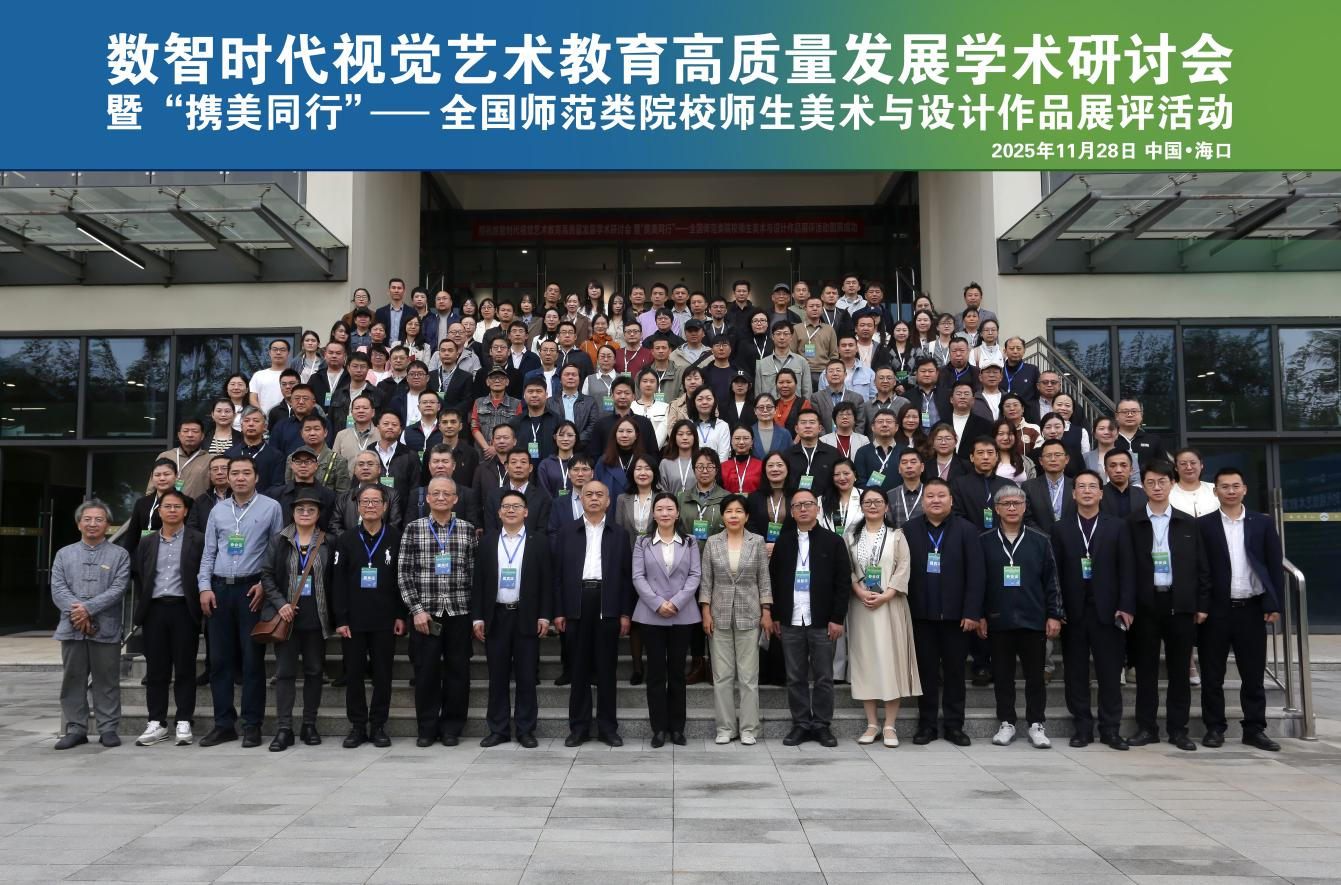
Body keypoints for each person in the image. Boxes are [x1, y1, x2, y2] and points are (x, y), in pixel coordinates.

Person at [196, 456, 284, 748]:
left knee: (251, 662)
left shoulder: (271, 507)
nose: (240, 478)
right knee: (219, 662)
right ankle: (223, 724)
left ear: (257, 477)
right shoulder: (218, 510)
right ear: (228, 477)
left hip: (251, 591)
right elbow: (209, 552)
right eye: (235, 473)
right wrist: (204, 587)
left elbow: (276, 552)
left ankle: (251, 725)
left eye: (246, 473)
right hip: (219, 590)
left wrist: (265, 585)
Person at [1124, 461, 1211, 752]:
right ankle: (1146, 728)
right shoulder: (1132, 522)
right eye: (1151, 482)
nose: (1157, 487)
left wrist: (1201, 604)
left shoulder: (1188, 523)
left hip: (1180, 604)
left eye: (1162, 481)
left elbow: (1202, 567)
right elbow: (1125, 568)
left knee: (1179, 671)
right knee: (1146, 671)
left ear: (1172, 484)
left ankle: (1178, 730)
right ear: (1143, 486)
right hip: (1146, 605)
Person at [1197, 467, 1284, 752]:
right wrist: (1201, 605)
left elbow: (1273, 565)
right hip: (1216, 610)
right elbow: (1200, 569)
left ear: (1245, 489)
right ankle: (1214, 727)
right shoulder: (1204, 525)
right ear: (1215, 491)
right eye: (1225, 486)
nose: (1231, 491)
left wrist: (1274, 602)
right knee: (1212, 674)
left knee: (1253, 673)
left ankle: (1254, 729)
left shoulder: (1262, 523)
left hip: (1252, 608)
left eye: (1236, 486)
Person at [1051, 469, 1136, 750]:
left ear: (1101, 493)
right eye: (1081, 487)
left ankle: (1110, 729)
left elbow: (1128, 570)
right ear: (1073, 494)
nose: (1087, 491)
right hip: (1073, 613)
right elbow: (1054, 574)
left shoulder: (1118, 526)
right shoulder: (1061, 528)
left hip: (1109, 612)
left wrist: (1126, 606)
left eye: (1092, 487)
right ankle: (1082, 728)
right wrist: (1056, 610)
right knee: (1075, 674)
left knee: (1110, 674)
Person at [977, 484, 1063, 750]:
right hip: (998, 619)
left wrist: (1054, 615)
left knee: (1035, 677)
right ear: (997, 509)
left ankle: (1036, 723)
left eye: (1017, 503)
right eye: (1006, 504)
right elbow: (978, 583)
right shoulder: (985, 541)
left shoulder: (1040, 540)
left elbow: (1052, 581)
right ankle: (1007, 722)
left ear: (1025, 507)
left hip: (1033, 619)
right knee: (1003, 676)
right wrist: (980, 615)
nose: (1012, 508)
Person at [399, 476, 479, 747]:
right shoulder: (413, 529)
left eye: (447, 493)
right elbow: (404, 573)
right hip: (426, 615)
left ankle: (452, 728)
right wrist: (416, 610)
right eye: (436, 493)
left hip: (459, 612)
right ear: (427, 499)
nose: (441, 497)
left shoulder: (467, 530)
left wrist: (474, 614)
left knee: (459, 673)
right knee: (426, 673)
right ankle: (427, 728)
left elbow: (474, 574)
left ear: (456, 499)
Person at [769, 488, 852, 747]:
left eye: (807, 504)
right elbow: (773, 580)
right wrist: (775, 615)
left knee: (824, 676)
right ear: (792, 512)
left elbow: (843, 583)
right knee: (795, 676)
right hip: (791, 619)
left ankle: (822, 725)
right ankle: (801, 723)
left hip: (822, 620)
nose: (803, 509)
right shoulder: (784, 542)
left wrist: (837, 618)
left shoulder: (833, 541)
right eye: (797, 506)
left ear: (817, 508)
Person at [554, 481, 635, 747]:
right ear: (581, 499)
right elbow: (558, 576)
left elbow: (626, 577)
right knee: (578, 669)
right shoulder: (567, 532)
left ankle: (607, 728)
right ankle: (578, 728)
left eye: (600, 494)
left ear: (608, 501)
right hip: (576, 603)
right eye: (588, 494)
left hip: (607, 603)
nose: (594, 498)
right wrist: (559, 611)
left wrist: (625, 613)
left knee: (607, 670)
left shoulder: (619, 534)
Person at [903, 479, 983, 745]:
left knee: (955, 673)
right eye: (930, 496)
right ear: (922, 501)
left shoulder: (967, 530)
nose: (935, 500)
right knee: (925, 672)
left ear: (951, 500)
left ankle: (954, 726)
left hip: (956, 617)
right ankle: (926, 725)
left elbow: (976, 574)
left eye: (941, 495)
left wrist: (972, 612)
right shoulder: (909, 530)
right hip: (920, 615)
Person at [471, 489, 552, 749]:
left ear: (526, 512)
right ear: (499, 512)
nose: (511, 510)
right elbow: (478, 582)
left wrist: (545, 615)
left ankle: (526, 729)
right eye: (506, 506)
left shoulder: (539, 541)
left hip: (527, 616)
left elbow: (547, 582)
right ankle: (498, 729)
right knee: (497, 676)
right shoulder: (488, 542)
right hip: (496, 616)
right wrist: (477, 618)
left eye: (516, 506)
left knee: (527, 676)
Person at [50, 499, 130, 750]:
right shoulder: (64, 554)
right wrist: (78, 612)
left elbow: (118, 589)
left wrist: (88, 609)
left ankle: (108, 728)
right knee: (72, 679)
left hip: (105, 628)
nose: (93, 524)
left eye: (99, 519)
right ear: (78, 524)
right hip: (71, 626)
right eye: (87, 519)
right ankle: (75, 728)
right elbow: (58, 588)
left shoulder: (120, 555)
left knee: (107, 679)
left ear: (107, 525)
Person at [259, 487, 334, 751]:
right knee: (285, 673)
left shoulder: (328, 541)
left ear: (318, 514)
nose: (305, 513)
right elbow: (266, 575)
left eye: (311, 509)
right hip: (286, 619)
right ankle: (284, 728)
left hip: (317, 617)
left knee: (314, 672)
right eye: (300, 509)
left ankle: (309, 724)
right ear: (292, 512)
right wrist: (280, 604)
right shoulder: (279, 540)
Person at [331, 483, 404, 749]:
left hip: (386, 619)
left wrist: (401, 615)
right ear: (358, 507)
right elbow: (337, 582)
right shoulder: (346, 539)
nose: (370, 506)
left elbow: (402, 580)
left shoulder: (396, 538)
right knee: (354, 674)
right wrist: (340, 619)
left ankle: (379, 725)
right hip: (354, 620)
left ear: (385, 506)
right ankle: (358, 725)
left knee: (383, 674)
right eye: (365, 502)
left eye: (376, 501)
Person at [845, 489, 920, 749]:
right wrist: (859, 590)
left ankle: (889, 724)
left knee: (891, 661)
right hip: (862, 606)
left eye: (878, 502)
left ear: (887, 506)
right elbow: (848, 569)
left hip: (891, 605)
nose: (873, 505)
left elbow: (903, 567)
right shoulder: (851, 537)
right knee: (865, 662)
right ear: (861, 506)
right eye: (868, 502)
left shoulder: (897, 535)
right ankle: (871, 723)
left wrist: (887, 595)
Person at [131, 489, 204, 747]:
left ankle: (184, 720)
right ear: (159, 512)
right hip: (154, 611)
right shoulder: (147, 542)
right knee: (156, 669)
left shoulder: (198, 539)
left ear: (185, 511)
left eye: (177, 506)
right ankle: (157, 722)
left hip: (184, 610)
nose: (172, 510)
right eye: (167, 506)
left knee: (185, 668)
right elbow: (141, 575)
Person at [698, 494, 772, 744]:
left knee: (749, 677)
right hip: (718, 615)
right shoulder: (712, 542)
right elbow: (706, 580)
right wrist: (705, 611)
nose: (733, 515)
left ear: (747, 516)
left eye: (739, 511)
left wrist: (766, 610)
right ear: (722, 516)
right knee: (722, 677)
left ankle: (749, 729)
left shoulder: (757, 541)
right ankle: (725, 728)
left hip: (749, 614)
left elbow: (764, 579)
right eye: (729, 511)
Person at [632, 492, 703, 747]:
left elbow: (695, 575)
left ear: (677, 513)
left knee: (676, 673)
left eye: (669, 508)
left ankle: (677, 728)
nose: (665, 513)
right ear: (653, 514)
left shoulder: (690, 541)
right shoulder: (642, 542)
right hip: (651, 614)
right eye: (660, 509)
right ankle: (658, 729)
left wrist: (676, 602)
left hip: (682, 614)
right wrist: (657, 603)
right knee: (655, 674)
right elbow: (638, 576)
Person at [785, 410, 841, 500]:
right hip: (796, 504)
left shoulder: (833, 453)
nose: (807, 426)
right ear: (796, 429)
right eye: (803, 422)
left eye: (812, 422)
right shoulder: (787, 455)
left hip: (826, 504)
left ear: (820, 428)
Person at [226, 406, 285, 490]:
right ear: (241, 426)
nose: (251, 424)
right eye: (246, 420)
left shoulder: (276, 456)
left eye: (256, 421)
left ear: (265, 426)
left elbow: (277, 487)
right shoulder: (229, 454)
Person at [149, 418, 209, 499]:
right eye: (186, 431)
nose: (190, 435)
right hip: (167, 506)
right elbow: (151, 488)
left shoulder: (209, 460)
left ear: (202, 436)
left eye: (195, 431)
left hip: (197, 506)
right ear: (179, 435)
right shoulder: (165, 456)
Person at [1023, 440, 1074, 533]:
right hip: (1039, 539)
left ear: (1066, 459)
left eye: (1058, 455)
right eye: (1048, 455)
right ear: (1041, 461)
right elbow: (1027, 519)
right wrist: (1044, 538)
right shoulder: (1029, 487)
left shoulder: (1076, 485)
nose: (1053, 459)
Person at [755, 321, 814, 399]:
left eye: (786, 334)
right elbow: (758, 392)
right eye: (778, 334)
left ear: (791, 337)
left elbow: (807, 391)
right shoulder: (762, 364)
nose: (782, 337)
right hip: (770, 406)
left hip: (795, 406)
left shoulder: (802, 362)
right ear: (772, 337)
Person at [854, 408, 901, 494]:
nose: (884, 425)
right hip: (872, 501)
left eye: (889, 421)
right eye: (880, 421)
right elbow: (860, 482)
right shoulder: (862, 452)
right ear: (873, 427)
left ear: (896, 427)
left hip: (900, 499)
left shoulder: (905, 452)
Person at [1113, 398, 1170, 466]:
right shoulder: (1109, 439)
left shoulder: (1154, 440)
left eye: (1134, 411)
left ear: (1141, 415)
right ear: (1116, 416)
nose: (1130, 415)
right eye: (1125, 412)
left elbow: (1164, 467)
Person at [1170, 447, 1220, 517]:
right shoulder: (1168, 491)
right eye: (1183, 464)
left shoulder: (1215, 488)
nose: (1189, 467)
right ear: (1176, 468)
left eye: (1193, 463)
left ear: (1201, 465)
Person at [1099, 449, 1148, 518]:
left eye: (1123, 465)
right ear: (1106, 471)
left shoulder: (1143, 494)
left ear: (1131, 470)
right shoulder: (1098, 494)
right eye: (1113, 466)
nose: (1118, 470)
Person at [886, 449, 927, 529]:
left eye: (913, 462)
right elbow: (889, 525)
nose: (909, 466)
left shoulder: (931, 493)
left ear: (922, 467)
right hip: (898, 536)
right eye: (904, 462)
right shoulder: (890, 495)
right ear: (899, 469)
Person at [248, 338, 292, 413]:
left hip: (288, 417)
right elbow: (252, 398)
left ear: (288, 353)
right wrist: (262, 415)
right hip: (264, 417)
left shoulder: (295, 376)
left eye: (282, 350)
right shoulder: (258, 375)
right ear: (269, 353)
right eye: (275, 349)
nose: (278, 352)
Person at [722, 425, 762, 495]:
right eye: (737, 438)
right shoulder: (722, 467)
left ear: (752, 441)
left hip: (754, 501)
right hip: (728, 501)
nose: (741, 442)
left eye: (746, 438)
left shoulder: (761, 466)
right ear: (731, 441)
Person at [750, 393, 792, 458]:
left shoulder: (785, 434)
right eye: (761, 407)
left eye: (769, 407)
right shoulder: (748, 432)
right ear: (755, 411)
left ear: (775, 409)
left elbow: (790, 457)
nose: (765, 410)